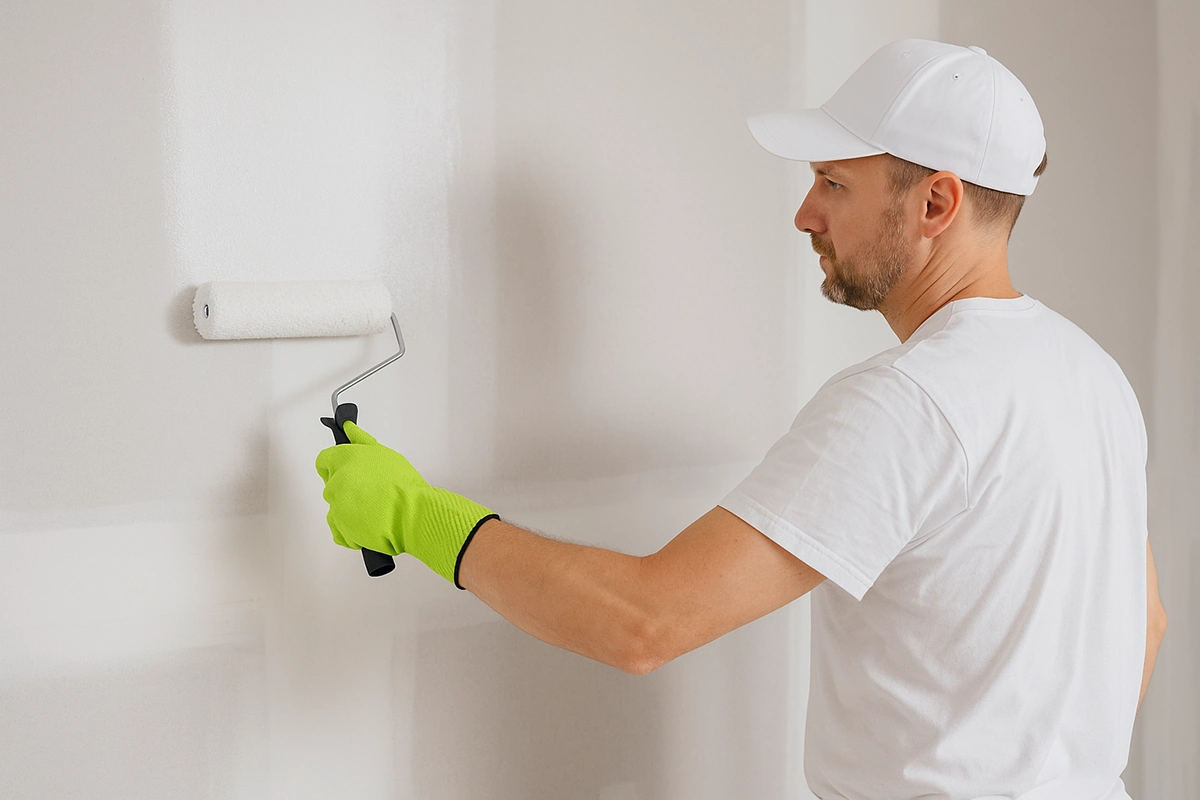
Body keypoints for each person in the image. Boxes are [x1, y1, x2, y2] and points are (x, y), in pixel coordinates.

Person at [316, 39, 1167, 800]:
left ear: (935, 204)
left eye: (835, 182)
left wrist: (415, 515)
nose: (806, 213)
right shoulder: (1091, 375)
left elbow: (643, 622)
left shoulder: (910, 401)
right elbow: (1145, 625)